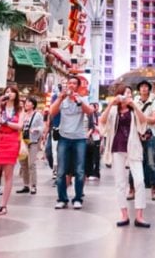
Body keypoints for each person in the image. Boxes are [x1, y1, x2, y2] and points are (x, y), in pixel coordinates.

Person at [99, 84, 151, 228]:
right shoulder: (113, 111)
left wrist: (134, 105)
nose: (128, 96)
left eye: (130, 93)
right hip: (117, 148)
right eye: (125, 93)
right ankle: (124, 214)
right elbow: (102, 122)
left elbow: (143, 122)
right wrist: (111, 104)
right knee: (120, 183)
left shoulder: (134, 110)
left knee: (140, 181)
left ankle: (139, 216)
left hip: (133, 148)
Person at [49, 76, 95, 210]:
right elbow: (52, 112)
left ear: (78, 86)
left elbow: (90, 112)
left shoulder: (83, 99)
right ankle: (62, 199)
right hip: (64, 137)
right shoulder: (61, 98)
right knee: (61, 171)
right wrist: (60, 98)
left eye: (74, 83)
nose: (71, 85)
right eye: (69, 83)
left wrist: (78, 100)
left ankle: (77, 198)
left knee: (79, 171)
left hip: (79, 138)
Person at [0, 86, 21, 215]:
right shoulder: (0, 108)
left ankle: (3, 205)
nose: (9, 93)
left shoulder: (19, 110)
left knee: (8, 175)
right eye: (7, 91)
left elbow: (19, 126)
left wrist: (5, 123)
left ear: (16, 95)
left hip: (12, 142)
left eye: (12, 92)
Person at [133, 80, 155, 201]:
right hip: (136, 135)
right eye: (142, 87)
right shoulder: (135, 101)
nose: (144, 89)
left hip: (150, 136)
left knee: (151, 162)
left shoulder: (154, 102)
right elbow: (132, 118)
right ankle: (132, 188)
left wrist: (140, 117)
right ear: (139, 89)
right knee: (134, 161)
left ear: (149, 89)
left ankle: (154, 188)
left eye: (146, 87)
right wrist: (145, 118)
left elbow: (154, 120)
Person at [17, 96, 44, 196]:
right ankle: (25, 185)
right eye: (26, 102)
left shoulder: (38, 115)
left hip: (32, 141)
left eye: (28, 102)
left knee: (31, 164)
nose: (26, 104)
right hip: (22, 142)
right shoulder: (22, 114)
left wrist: (36, 129)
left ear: (33, 104)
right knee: (23, 164)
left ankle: (33, 186)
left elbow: (42, 127)